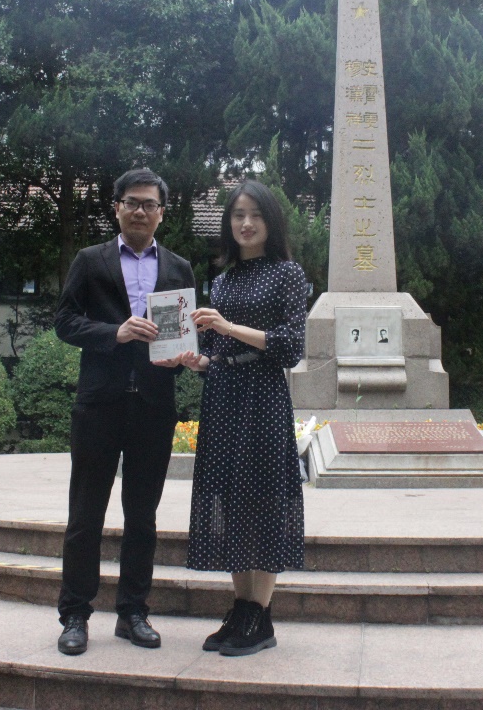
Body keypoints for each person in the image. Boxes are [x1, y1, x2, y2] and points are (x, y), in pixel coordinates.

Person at [52, 167, 196, 656]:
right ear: (116, 208)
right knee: (85, 514)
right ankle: (75, 614)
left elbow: (183, 332)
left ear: (161, 213)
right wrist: (113, 333)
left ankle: (133, 612)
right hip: (100, 403)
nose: (140, 211)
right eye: (131, 202)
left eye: (149, 204)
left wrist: (181, 357)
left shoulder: (178, 268)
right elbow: (64, 321)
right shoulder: (90, 261)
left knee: (142, 517)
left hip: (154, 405)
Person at [176, 180, 308, 656]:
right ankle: (241, 608)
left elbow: (291, 346)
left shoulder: (288, 274)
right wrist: (198, 360)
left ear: (270, 221)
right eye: (237, 216)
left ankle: (261, 614)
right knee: (230, 499)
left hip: (264, 396)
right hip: (224, 396)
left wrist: (229, 327)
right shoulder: (222, 280)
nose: (246, 223)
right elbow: (217, 349)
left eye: (255, 215)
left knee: (265, 498)